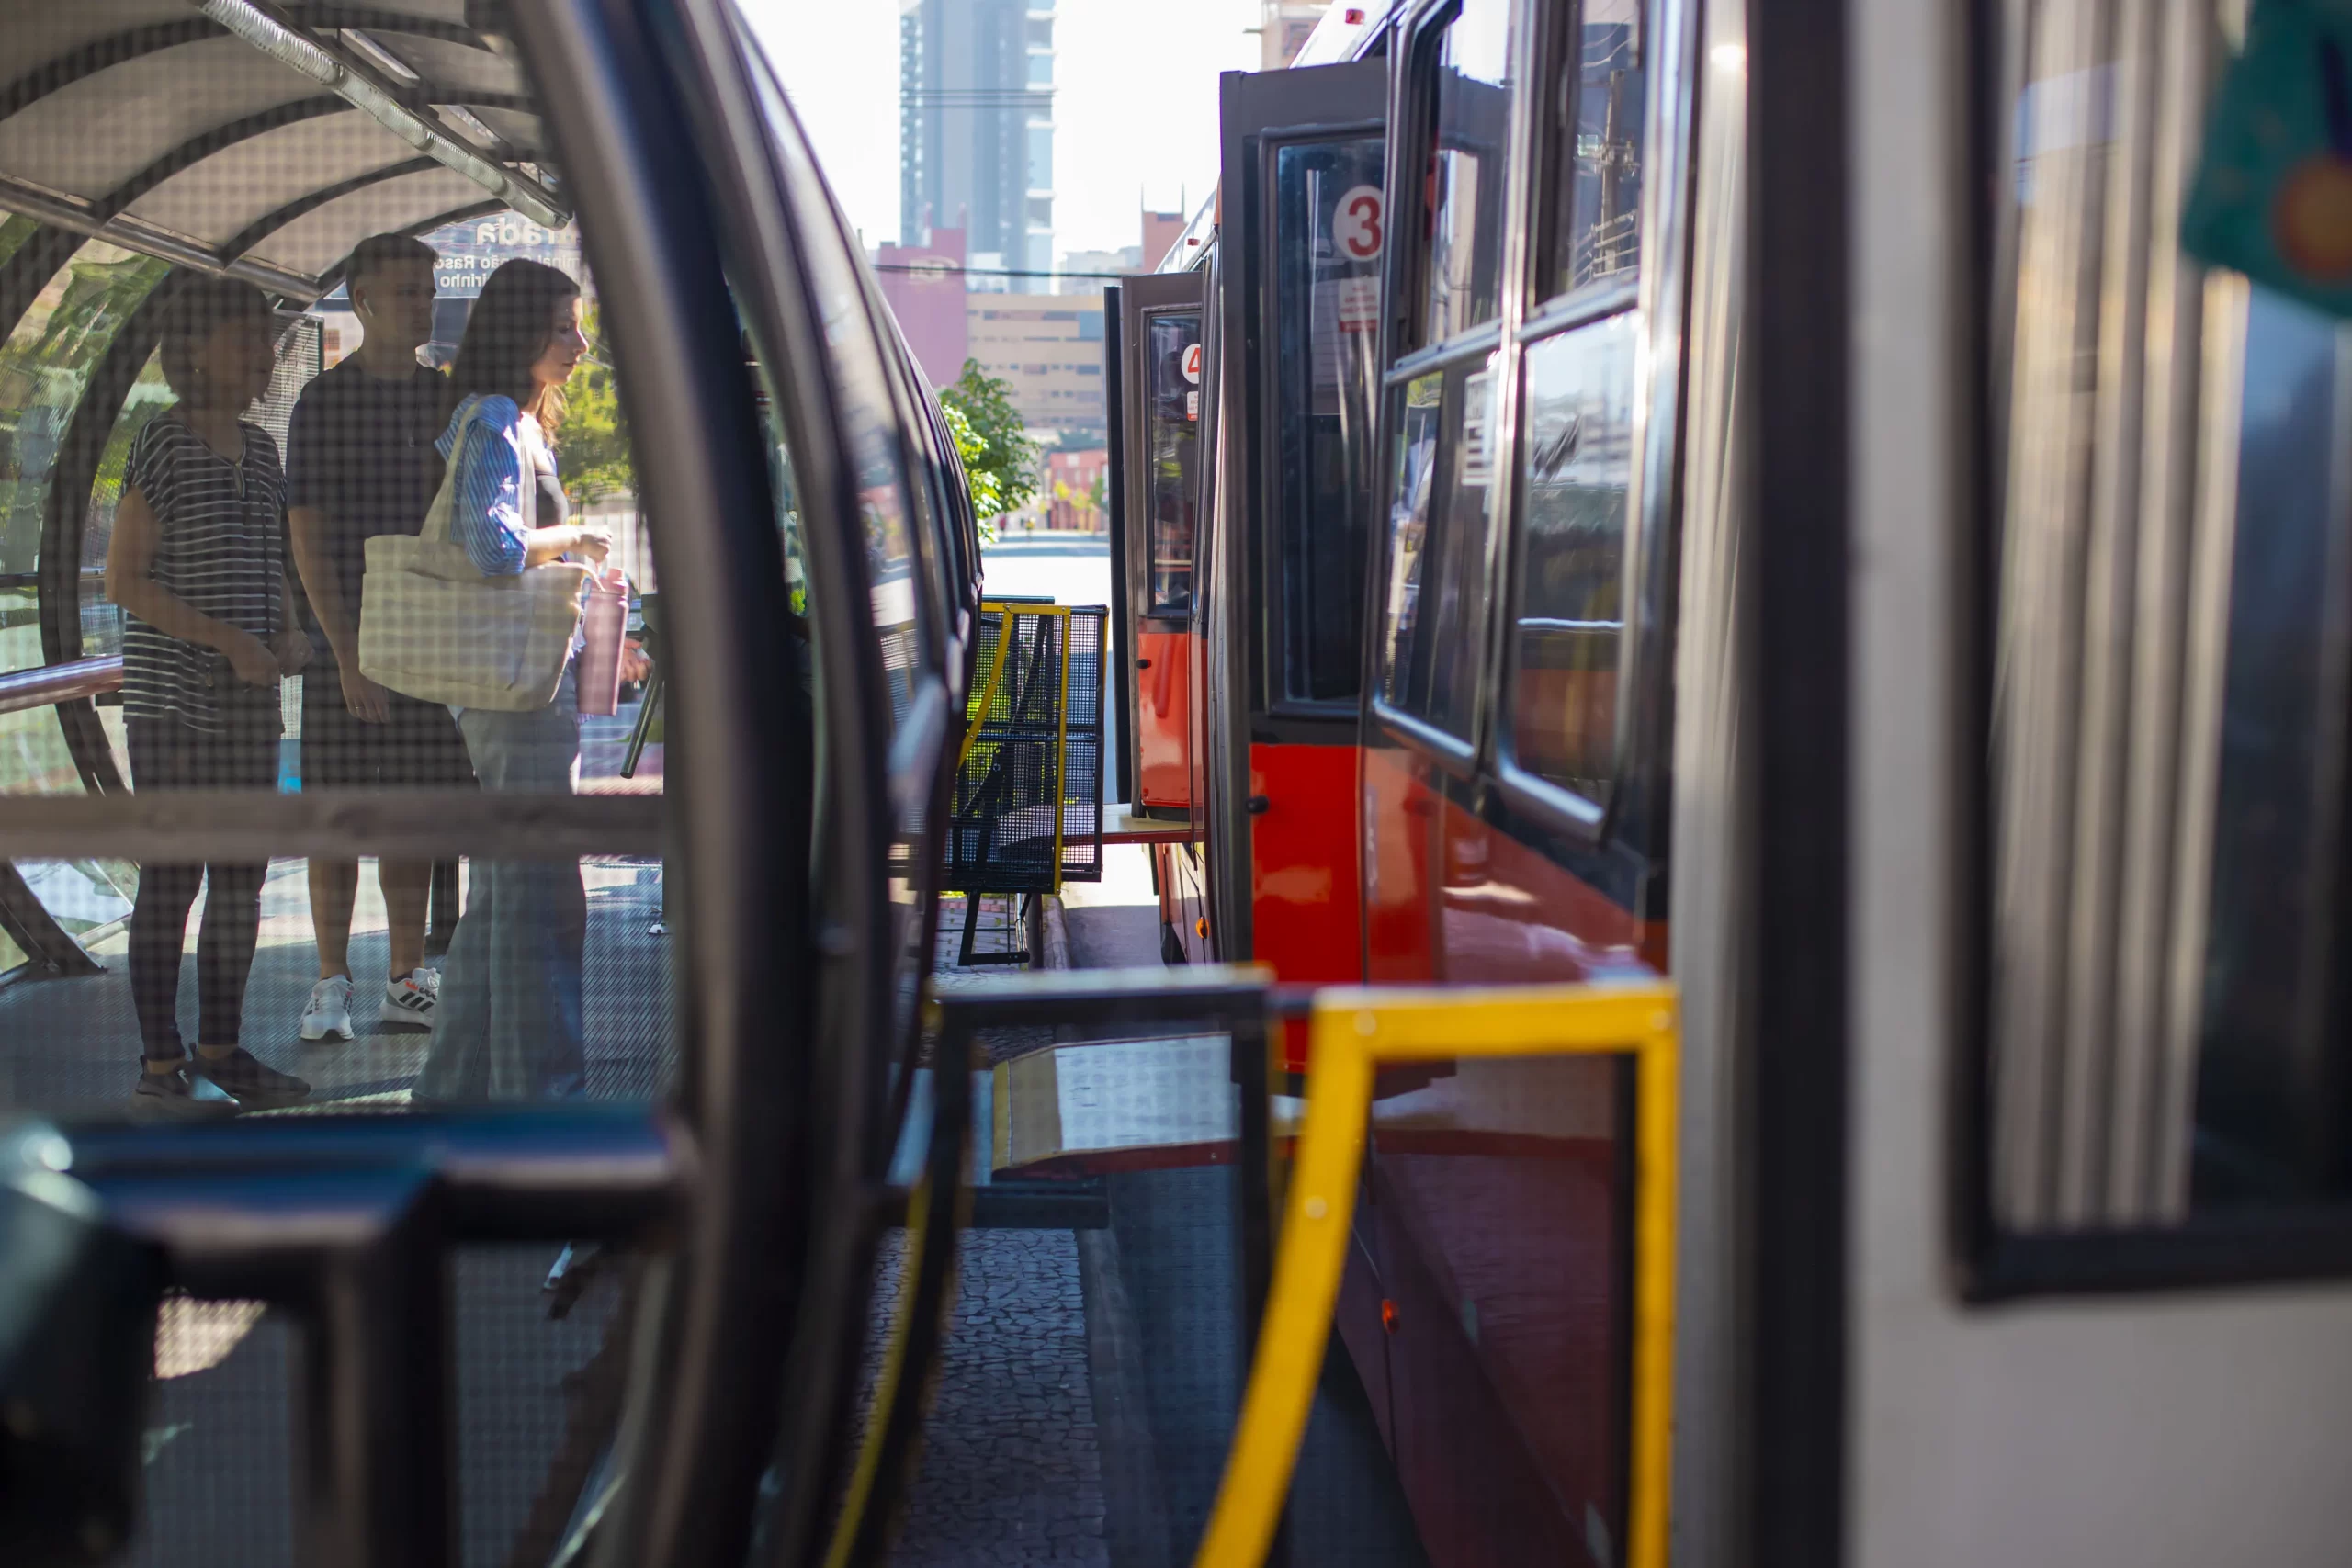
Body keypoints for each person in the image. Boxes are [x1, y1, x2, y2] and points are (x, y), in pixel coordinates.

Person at [105, 278, 315, 1118]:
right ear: (194, 350)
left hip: (249, 710)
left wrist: (291, 629)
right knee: (172, 880)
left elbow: (273, 564)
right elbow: (124, 580)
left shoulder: (261, 452)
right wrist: (227, 639)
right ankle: (160, 1065)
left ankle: (221, 1050)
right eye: (244, 340)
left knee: (241, 878)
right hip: (175, 707)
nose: (263, 356)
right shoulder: (162, 442)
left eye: (265, 342)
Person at [412, 259, 615, 1103]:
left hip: (512, 685)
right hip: (515, 691)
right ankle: (541, 1106)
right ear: (520, 328)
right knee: (540, 895)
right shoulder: (497, 417)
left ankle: (454, 1096)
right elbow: (493, 547)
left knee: (503, 898)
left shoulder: (512, 419)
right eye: (564, 326)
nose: (578, 344)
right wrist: (577, 536)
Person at [286, 234, 475, 1044]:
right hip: (348, 648)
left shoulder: (447, 400)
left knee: (411, 817)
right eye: (405, 291)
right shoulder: (324, 402)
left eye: (427, 289)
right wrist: (344, 653)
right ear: (361, 301)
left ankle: (407, 977)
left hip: (427, 649)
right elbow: (308, 537)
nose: (422, 303)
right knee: (338, 818)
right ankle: (331, 981)